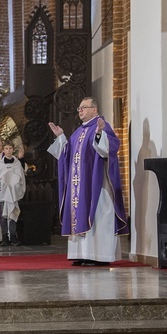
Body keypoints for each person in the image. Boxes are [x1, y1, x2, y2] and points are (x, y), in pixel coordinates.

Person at [48, 97, 128, 266]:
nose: (80, 110)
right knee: (79, 212)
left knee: (98, 215)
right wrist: (61, 137)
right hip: (79, 186)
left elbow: (108, 150)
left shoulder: (101, 126)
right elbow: (67, 155)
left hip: (96, 184)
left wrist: (99, 134)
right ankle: (83, 254)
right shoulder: (77, 132)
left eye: (84, 107)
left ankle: (100, 256)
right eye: (79, 108)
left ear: (94, 109)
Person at [0, 141, 26, 246]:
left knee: (13, 214)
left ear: (13, 150)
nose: (8, 150)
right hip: (3, 193)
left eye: (10, 148)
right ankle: (4, 237)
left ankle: (13, 236)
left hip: (13, 193)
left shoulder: (17, 163)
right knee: (3, 216)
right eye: (6, 148)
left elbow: (21, 177)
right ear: (3, 150)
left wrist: (15, 185)